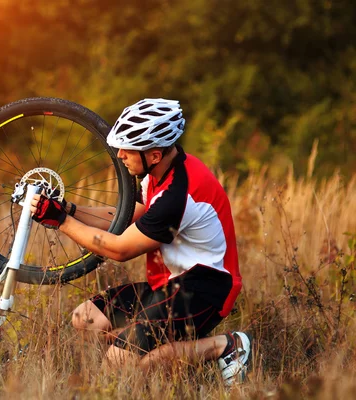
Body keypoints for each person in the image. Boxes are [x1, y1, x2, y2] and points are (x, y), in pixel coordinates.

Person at [30, 98, 252, 385]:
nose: (120, 155)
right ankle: (146, 344)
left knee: (121, 364)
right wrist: (68, 208)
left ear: (155, 155)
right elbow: (125, 218)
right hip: (171, 282)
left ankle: (227, 346)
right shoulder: (158, 173)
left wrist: (60, 221)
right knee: (85, 319)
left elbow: (119, 248)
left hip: (206, 287)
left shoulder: (177, 197)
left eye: (127, 149)